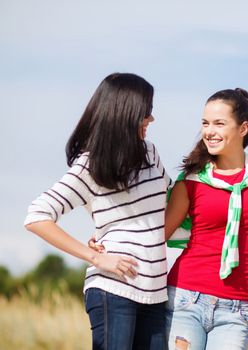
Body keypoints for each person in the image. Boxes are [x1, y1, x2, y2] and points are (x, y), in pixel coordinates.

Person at [24, 73, 171, 350]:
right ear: (125, 113)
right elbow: (37, 216)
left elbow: (173, 200)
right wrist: (94, 256)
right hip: (112, 290)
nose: (151, 120)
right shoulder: (89, 165)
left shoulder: (150, 153)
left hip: (154, 293)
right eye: (146, 112)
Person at [163, 88, 248, 350]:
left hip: (236, 309)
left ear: (243, 128)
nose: (209, 131)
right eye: (205, 123)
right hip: (185, 298)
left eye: (219, 123)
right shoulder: (191, 180)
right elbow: (158, 236)